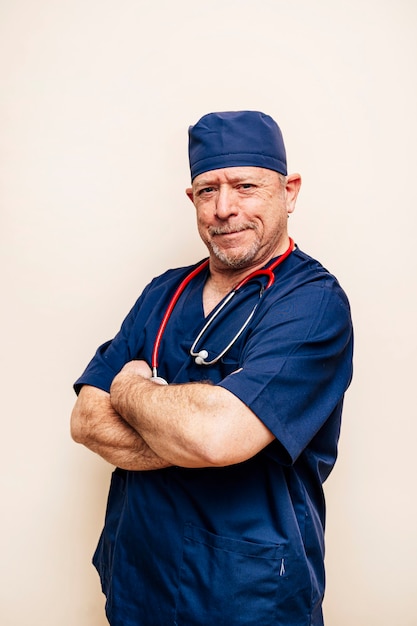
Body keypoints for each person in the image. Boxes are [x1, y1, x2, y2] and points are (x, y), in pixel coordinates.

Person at [71, 110, 353, 626]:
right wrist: (189, 432)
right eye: (207, 191)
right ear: (192, 199)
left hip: (248, 594)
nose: (224, 209)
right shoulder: (163, 292)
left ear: (288, 192)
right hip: (138, 580)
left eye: (245, 186)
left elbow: (216, 438)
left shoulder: (312, 304)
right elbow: (86, 420)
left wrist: (130, 386)